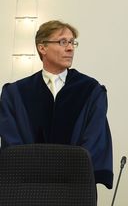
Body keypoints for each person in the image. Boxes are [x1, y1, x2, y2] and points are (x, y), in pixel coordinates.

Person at [0, 20, 113, 188]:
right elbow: (11, 141)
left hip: (75, 186)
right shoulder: (15, 93)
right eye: (63, 42)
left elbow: (94, 137)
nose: (70, 48)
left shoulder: (90, 90)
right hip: (27, 187)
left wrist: (70, 172)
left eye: (72, 42)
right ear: (42, 48)